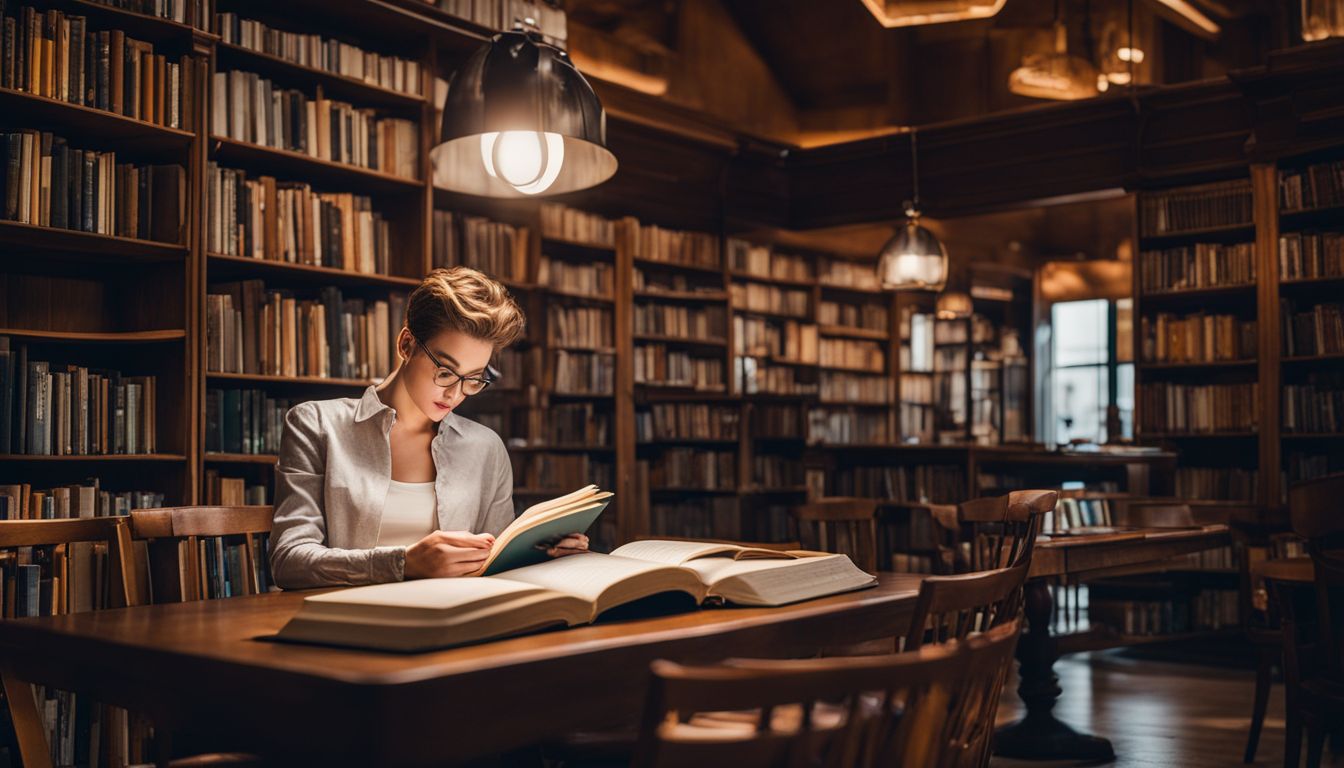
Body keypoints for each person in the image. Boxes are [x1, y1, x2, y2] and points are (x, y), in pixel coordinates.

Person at [269, 267, 589, 589]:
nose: (456, 393)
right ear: (406, 345)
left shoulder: (485, 448)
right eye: (446, 371)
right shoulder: (316, 426)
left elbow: (494, 566)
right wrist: (404, 564)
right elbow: (289, 560)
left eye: (474, 379)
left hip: (455, 622)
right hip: (347, 624)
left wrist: (539, 556)